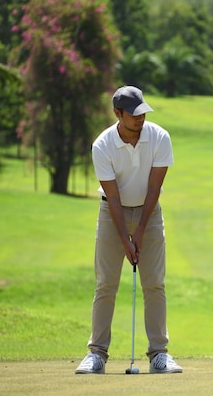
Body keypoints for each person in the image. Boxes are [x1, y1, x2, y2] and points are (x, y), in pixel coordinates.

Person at [75, 86, 182, 374]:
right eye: (134, 114)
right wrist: (126, 239)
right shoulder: (103, 145)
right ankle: (97, 353)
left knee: (154, 283)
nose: (141, 118)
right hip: (113, 214)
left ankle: (159, 354)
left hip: (150, 211)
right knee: (106, 283)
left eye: (143, 112)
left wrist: (142, 230)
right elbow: (112, 198)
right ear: (117, 114)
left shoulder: (159, 137)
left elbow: (154, 188)